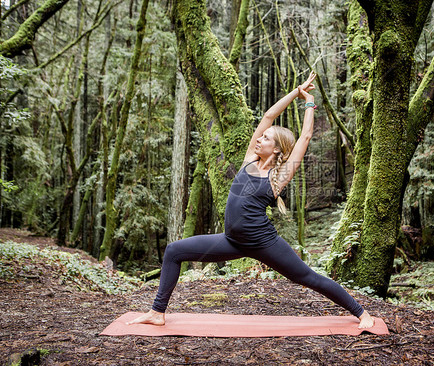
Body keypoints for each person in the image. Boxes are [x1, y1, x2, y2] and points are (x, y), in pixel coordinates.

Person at [127, 71, 375, 329]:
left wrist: (309, 103)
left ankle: (361, 313)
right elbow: (269, 116)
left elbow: (305, 137)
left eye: (266, 138)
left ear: (277, 148)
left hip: (263, 243)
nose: (259, 138)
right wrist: (295, 91)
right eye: (261, 136)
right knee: (174, 251)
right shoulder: (249, 160)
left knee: (306, 277)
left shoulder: (278, 177)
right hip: (231, 241)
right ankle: (157, 311)